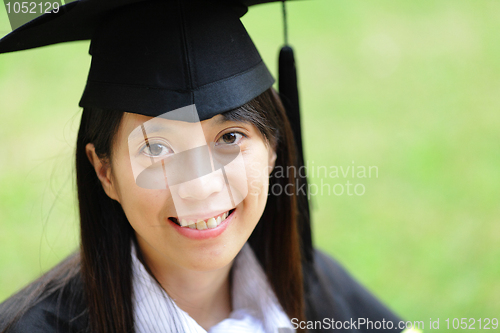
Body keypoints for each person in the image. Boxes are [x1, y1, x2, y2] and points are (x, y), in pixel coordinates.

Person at [0, 0, 408, 332]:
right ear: (105, 172)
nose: (201, 186)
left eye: (230, 137)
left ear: (273, 149)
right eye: (157, 148)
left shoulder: (314, 287)